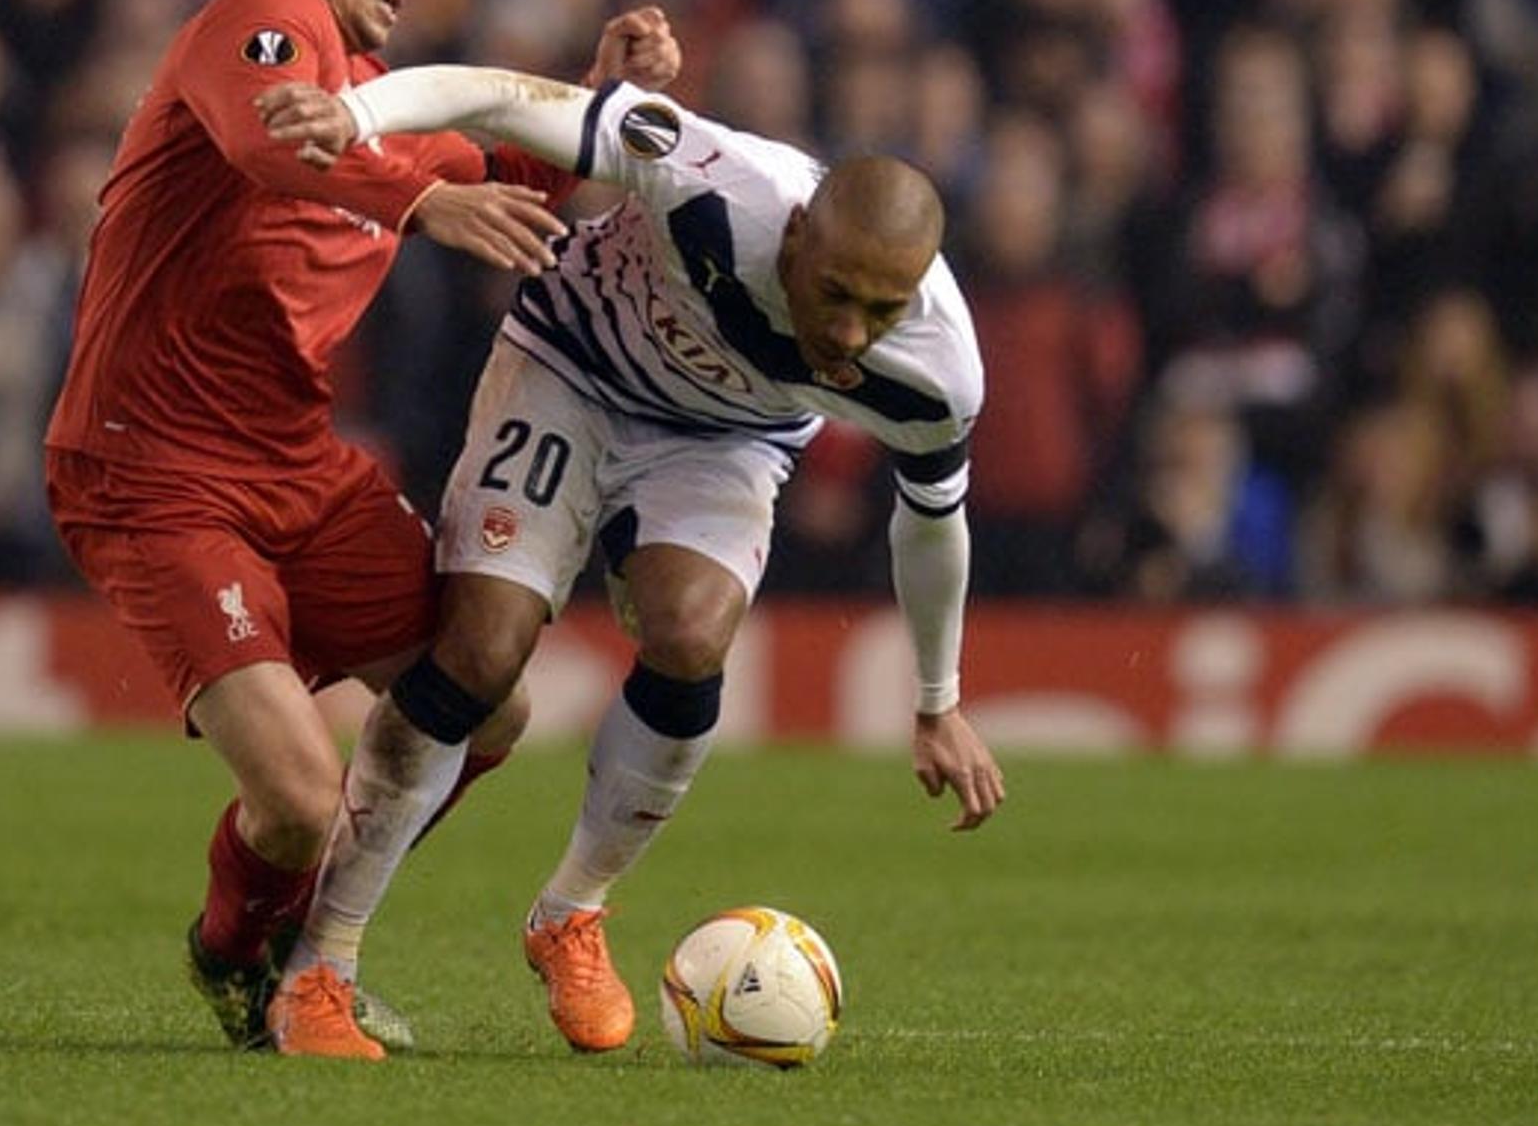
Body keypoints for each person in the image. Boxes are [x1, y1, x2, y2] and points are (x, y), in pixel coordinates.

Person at [41, 0, 680, 1056]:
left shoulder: (383, 110)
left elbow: (514, 167)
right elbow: (266, 139)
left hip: (295, 462)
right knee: (291, 794)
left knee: (483, 705)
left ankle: (311, 952)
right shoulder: (264, 14)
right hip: (154, 468)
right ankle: (237, 948)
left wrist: (604, 94)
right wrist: (426, 199)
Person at [252, 60, 1008, 1061]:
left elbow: (930, 518)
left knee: (693, 634)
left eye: (882, 308)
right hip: (570, 366)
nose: (848, 333)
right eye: (833, 294)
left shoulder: (938, 371)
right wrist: (353, 114)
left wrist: (936, 697)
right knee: (480, 653)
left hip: (726, 439)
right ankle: (320, 964)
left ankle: (572, 909)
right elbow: (500, 97)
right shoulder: (711, 178)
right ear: (793, 235)